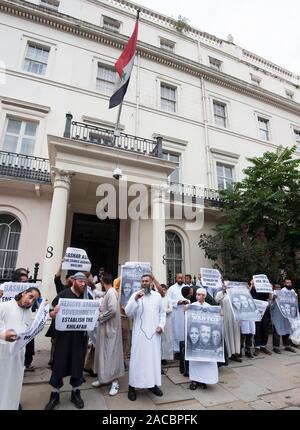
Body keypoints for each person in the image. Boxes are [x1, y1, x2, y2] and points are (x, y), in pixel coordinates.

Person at [44, 272, 93, 410]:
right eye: (80, 281)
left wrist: (97, 311)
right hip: (63, 338)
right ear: (73, 281)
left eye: (85, 282)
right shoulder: (63, 294)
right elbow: (51, 310)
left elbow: (92, 314)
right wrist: (52, 313)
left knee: (77, 364)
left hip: (79, 338)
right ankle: (54, 395)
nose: (83, 284)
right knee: (59, 364)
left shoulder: (87, 296)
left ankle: (76, 393)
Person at [125, 274, 166, 401]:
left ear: (152, 282)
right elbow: (127, 312)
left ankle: (152, 384)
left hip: (154, 335)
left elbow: (162, 314)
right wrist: (135, 300)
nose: (144, 283)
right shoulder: (135, 295)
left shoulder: (157, 296)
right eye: (142, 281)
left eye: (147, 281)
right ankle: (132, 386)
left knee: (152, 360)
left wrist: (161, 326)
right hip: (139, 336)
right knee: (137, 360)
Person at [0, 286, 41, 410]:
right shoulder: (4, 306)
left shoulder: (28, 312)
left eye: (34, 300)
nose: (31, 302)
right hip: (3, 353)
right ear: (23, 293)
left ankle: (11, 405)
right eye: (30, 297)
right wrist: (2, 335)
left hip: (18, 355)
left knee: (14, 383)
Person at [92, 274, 124, 395]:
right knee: (104, 353)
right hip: (107, 328)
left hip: (111, 329)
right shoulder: (110, 292)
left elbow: (113, 310)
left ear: (102, 280)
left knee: (112, 354)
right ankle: (103, 378)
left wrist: (101, 316)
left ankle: (115, 382)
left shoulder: (111, 293)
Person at [186, 288, 219, 390]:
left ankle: (204, 380)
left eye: (201, 295)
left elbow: (215, 321)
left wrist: (220, 314)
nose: (198, 296)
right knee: (195, 361)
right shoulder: (192, 306)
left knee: (206, 361)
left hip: (206, 339)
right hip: (195, 340)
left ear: (204, 296)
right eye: (197, 294)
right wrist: (186, 311)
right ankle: (194, 381)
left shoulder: (210, 307)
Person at [215, 282, 242, 363]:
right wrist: (223, 292)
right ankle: (228, 354)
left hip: (235, 318)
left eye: (227, 285)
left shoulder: (234, 293)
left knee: (235, 335)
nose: (225, 286)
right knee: (227, 335)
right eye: (224, 285)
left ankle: (235, 353)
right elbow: (216, 300)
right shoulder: (220, 293)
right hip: (225, 318)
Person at [270, 281, 297, 354]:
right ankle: (276, 347)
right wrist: (273, 299)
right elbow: (270, 306)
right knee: (277, 332)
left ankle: (287, 345)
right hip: (276, 317)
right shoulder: (272, 295)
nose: (278, 289)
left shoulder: (283, 294)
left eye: (279, 287)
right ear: (273, 288)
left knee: (286, 330)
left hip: (285, 316)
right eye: (276, 287)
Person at [167, 273, 188, 356]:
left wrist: (187, 302)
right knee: (176, 331)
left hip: (184, 311)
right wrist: (177, 302)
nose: (180, 279)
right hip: (176, 312)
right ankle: (177, 351)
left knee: (184, 331)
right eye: (178, 278)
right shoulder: (171, 289)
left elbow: (190, 298)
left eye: (181, 278)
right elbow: (168, 300)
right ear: (176, 278)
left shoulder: (186, 287)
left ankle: (184, 349)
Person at [251, 278, 272, 356]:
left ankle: (263, 346)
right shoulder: (252, 289)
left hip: (265, 311)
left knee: (265, 329)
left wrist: (270, 289)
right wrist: (252, 285)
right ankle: (257, 347)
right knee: (257, 329)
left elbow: (270, 298)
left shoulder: (264, 289)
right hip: (256, 312)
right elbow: (248, 296)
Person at [240, 281, 256, 358]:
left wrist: (252, 285)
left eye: (247, 286)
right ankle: (240, 350)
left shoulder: (251, 294)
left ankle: (248, 350)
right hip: (243, 318)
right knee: (242, 334)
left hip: (250, 317)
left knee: (250, 334)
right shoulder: (240, 296)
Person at [160, 284, 173, 366]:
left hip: (167, 321)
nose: (163, 291)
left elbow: (170, 309)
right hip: (158, 321)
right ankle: (159, 356)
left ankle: (165, 357)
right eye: (162, 289)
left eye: (165, 289)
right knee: (159, 339)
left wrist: (163, 311)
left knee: (166, 339)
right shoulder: (157, 299)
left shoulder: (168, 299)